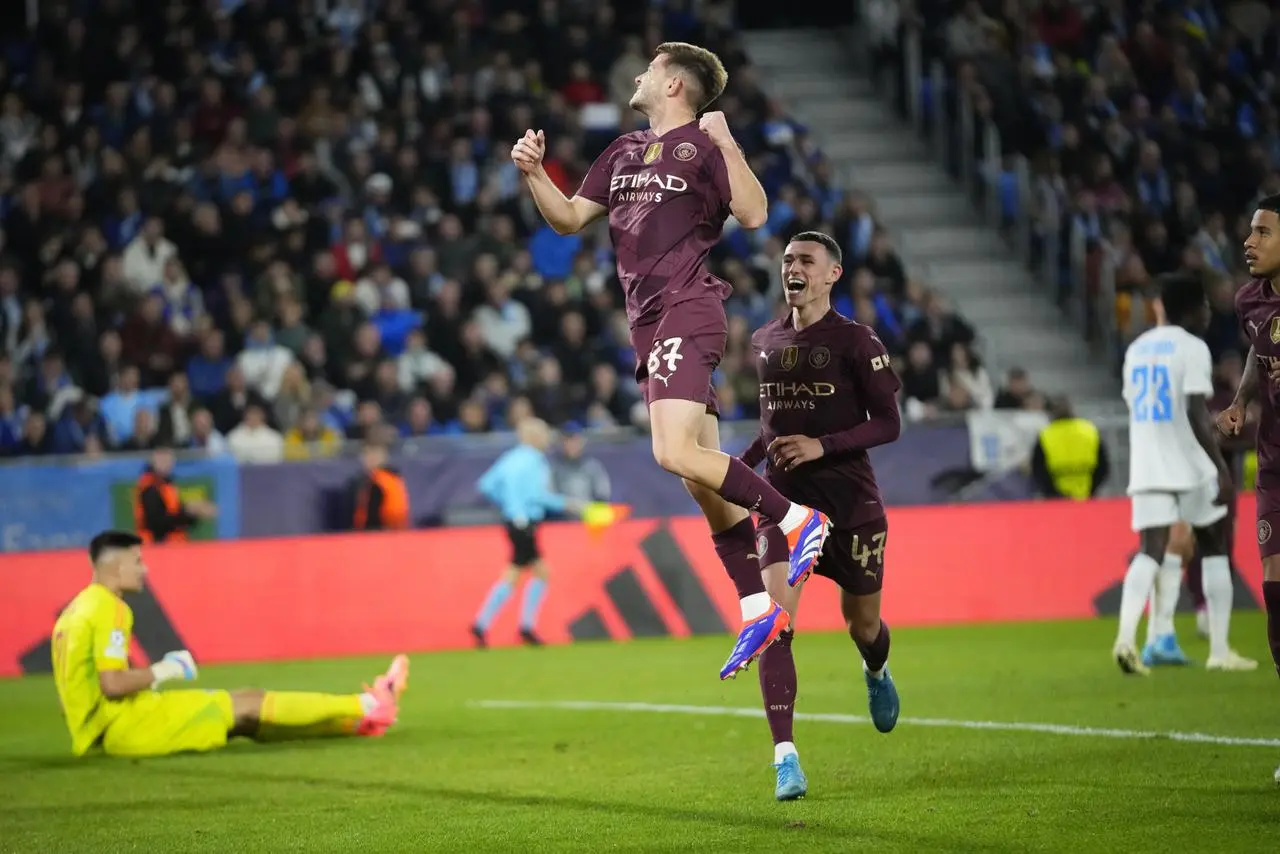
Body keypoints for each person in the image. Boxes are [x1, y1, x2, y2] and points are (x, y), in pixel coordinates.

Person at [510, 42, 831, 680]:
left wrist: (728, 140)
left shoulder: (706, 147)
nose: (638, 74)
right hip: (646, 323)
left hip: (688, 306)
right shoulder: (622, 151)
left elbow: (756, 212)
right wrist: (533, 173)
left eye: (650, 69)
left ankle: (799, 519)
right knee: (699, 481)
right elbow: (570, 218)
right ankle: (758, 605)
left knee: (671, 451)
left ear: (676, 85)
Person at [740, 232, 903, 801]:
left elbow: (888, 422)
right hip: (783, 508)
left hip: (851, 507)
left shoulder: (858, 342)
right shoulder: (764, 340)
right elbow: (769, 428)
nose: (793, 268)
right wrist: (739, 469)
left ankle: (876, 671)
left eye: (805, 260)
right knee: (774, 624)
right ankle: (786, 758)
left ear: (832, 274)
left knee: (862, 625)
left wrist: (822, 445)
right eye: (787, 260)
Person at [51, 530, 409, 758]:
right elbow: (112, 684)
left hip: (107, 731)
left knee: (245, 720)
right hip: (129, 728)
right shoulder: (111, 608)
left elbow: (70, 695)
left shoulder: (75, 610)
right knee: (249, 702)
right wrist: (166, 669)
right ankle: (369, 704)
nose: (144, 570)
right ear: (114, 567)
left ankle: (356, 723)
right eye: (137, 562)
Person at [1114, 274, 1256, 675]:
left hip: (1146, 462)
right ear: (1191, 309)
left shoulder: (1137, 348)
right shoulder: (1193, 348)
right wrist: (1218, 468)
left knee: (1149, 551)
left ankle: (1126, 639)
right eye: (1205, 306)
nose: (1209, 313)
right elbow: (1195, 411)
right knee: (1214, 545)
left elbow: (1136, 403)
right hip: (1188, 462)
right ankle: (1220, 650)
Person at [1216, 194, 1280, 784]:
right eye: (1249, 231)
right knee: (1277, 605)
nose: (1249, 241)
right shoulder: (1249, 301)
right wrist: (1238, 403)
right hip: (1276, 465)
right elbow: (1261, 355)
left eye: (1262, 231)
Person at [471, 418, 621, 647]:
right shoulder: (535, 462)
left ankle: (487, 625)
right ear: (533, 437)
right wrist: (572, 504)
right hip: (526, 523)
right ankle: (518, 626)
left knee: (519, 572)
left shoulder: (510, 458)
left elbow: (485, 485)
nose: (547, 440)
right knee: (534, 573)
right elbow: (539, 496)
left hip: (513, 522)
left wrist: (509, 504)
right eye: (543, 435)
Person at [133, 446, 217, 543]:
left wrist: (194, 512)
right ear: (154, 459)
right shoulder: (149, 487)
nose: (165, 463)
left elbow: (175, 511)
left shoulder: (168, 484)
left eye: (168, 459)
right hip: (154, 546)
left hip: (173, 544)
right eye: (161, 458)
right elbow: (156, 523)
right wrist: (188, 512)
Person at [351, 440, 411, 531]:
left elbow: (372, 516)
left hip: (380, 533)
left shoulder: (379, 482)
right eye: (365, 455)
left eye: (370, 454)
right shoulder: (394, 478)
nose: (366, 459)